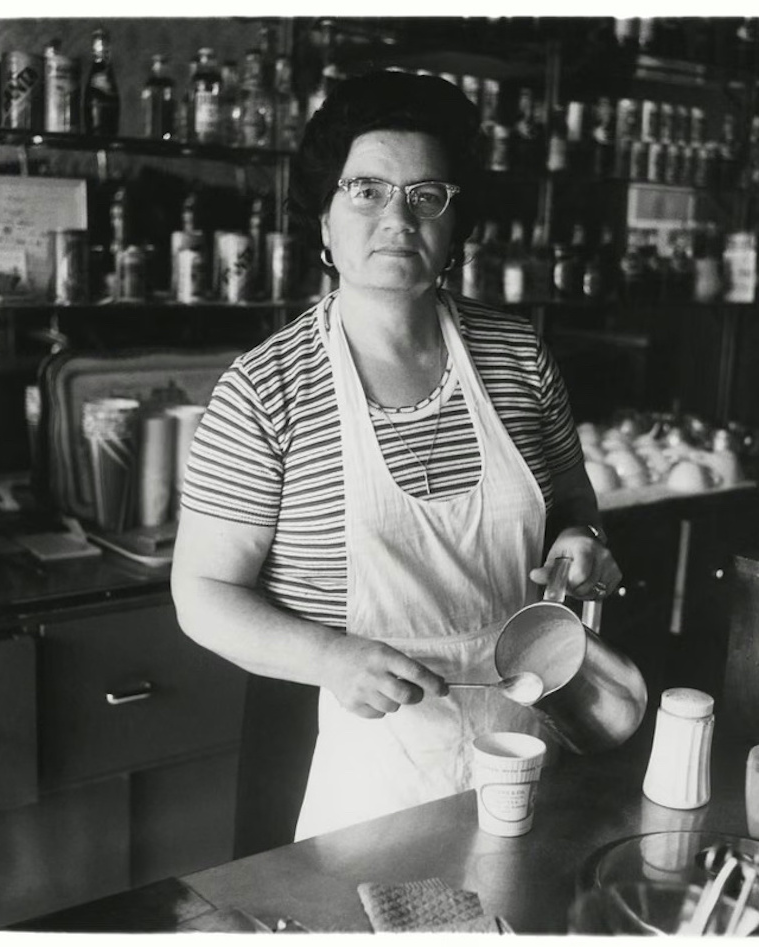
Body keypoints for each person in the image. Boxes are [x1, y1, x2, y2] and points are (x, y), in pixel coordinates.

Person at [171, 71, 631, 843]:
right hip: (364, 759)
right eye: (366, 190)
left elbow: (575, 512)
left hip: (523, 735)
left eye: (427, 196)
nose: (398, 218)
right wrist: (333, 657)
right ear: (322, 217)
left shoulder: (519, 357)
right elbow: (203, 593)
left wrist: (583, 546)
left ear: (456, 226)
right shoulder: (264, 391)